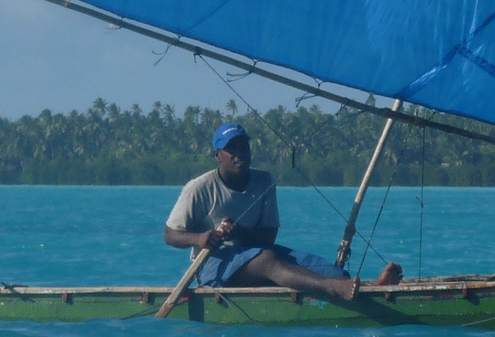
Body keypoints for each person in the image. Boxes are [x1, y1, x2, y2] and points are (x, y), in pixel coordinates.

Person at [164, 122, 402, 299]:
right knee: (268, 260)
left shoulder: (264, 181)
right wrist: (202, 238)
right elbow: (170, 234)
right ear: (218, 155)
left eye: (244, 147)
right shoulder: (199, 188)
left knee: (321, 266)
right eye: (231, 149)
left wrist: (238, 233)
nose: (240, 154)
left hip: (253, 250)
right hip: (213, 266)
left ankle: (370, 288)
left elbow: (268, 237)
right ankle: (331, 288)